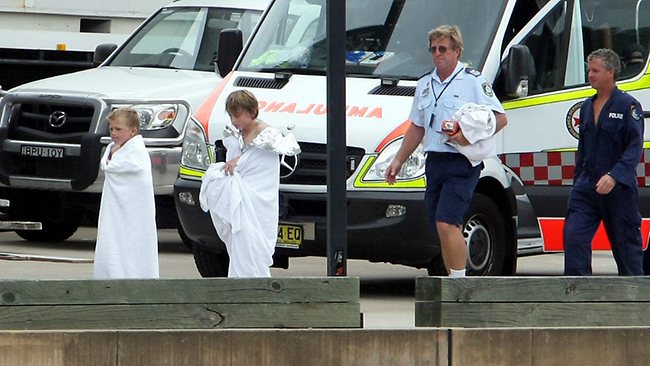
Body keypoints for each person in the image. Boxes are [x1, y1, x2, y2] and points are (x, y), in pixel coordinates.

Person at [384, 25, 508, 277]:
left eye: (443, 49)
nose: (437, 54)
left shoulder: (473, 81)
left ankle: (459, 284)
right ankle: (452, 276)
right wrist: (398, 159)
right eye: (433, 49)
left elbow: (500, 119)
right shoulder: (425, 83)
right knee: (440, 225)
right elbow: (417, 127)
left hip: (462, 161)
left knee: (447, 221)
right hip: (435, 161)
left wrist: (467, 135)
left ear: (457, 51)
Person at [199, 90, 300, 277]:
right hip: (240, 198)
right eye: (230, 115)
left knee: (251, 242)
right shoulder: (236, 134)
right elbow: (233, 160)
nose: (233, 120)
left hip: (256, 200)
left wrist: (240, 162)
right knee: (240, 245)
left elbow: (262, 166)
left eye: (237, 115)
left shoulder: (267, 134)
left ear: (252, 112)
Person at [563, 48, 644, 276]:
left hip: (618, 189)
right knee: (574, 238)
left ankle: (634, 302)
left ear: (610, 72)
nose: (590, 75)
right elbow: (583, 146)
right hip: (586, 186)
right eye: (589, 70)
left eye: (595, 70)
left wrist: (615, 175)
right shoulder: (587, 106)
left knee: (626, 249)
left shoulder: (628, 106)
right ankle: (579, 297)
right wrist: (578, 179)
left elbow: (634, 147)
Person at [94, 108, 159, 279]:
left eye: (118, 129)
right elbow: (111, 167)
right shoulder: (114, 149)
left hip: (134, 213)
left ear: (133, 131)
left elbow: (129, 169)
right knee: (113, 238)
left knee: (133, 241)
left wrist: (112, 161)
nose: (113, 133)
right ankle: (111, 274)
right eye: (111, 129)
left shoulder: (136, 152)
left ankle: (134, 275)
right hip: (115, 210)